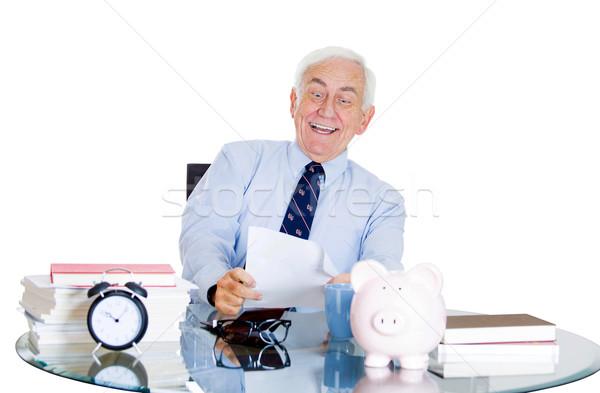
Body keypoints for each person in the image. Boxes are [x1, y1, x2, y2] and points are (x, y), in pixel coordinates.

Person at [180, 46, 406, 315]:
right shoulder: (238, 160)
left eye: (344, 100)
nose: (326, 110)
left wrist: (363, 284)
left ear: (364, 120)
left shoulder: (384, 202)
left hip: (325, 344)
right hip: (226, 333)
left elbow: (385, 269)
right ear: (293, 101)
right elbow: (203, 237)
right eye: (317, 94)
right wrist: (217, 283)